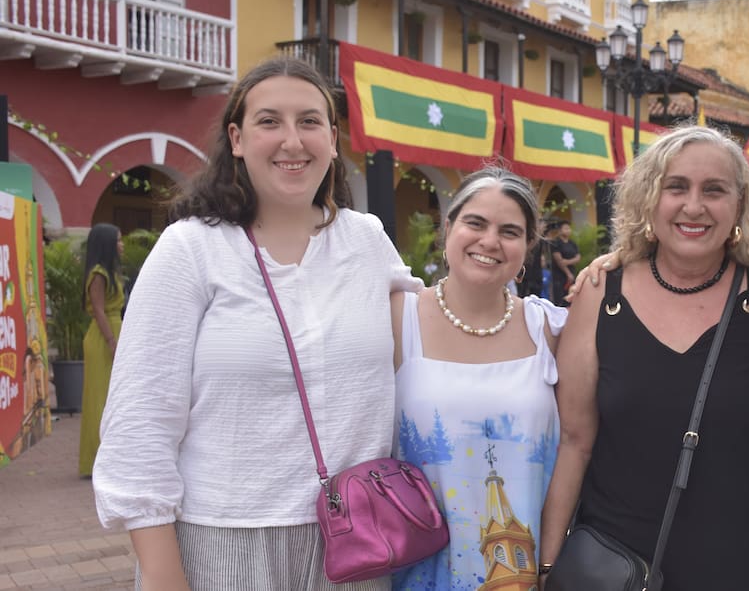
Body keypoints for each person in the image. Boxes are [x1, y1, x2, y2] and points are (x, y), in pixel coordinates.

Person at [92, 58, 424, 590]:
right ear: (237, 138)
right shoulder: (191, 249)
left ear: (333, 140)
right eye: (269, 121)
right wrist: (162, 576)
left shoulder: (367, 242)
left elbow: (437, 336)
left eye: (310, 121)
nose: (292, 140)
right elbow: (140, 424)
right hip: (223, 542)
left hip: (358, 541)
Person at [541, 126, 749, 591]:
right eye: (675, 187)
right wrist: (549, 565)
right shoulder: (601, 295)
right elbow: (575, 442)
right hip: (612, 568)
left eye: (714, 190)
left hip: (742, 567)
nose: (693, 206)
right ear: (648, 199)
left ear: (739, 205)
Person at [390, 166, 566, 590]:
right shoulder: (396, 317)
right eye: (475, 223)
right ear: (448, 228)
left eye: (510, 231)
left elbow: (579, 443)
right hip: (415, 574)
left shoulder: (552, 330)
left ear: (527, 248)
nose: (490, 241)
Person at [79, 223, 124, 478]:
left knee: (113, 396)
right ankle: (95, 459)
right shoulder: (98, 273)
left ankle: (110, 455)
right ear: (107, 243)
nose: (122, 244)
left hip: (115, 331)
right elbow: (98, 310)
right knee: (99, 398)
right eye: (118, 240)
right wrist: (111, 341)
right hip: (103, 337)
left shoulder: (111, 271)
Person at [549, 222, 580, 306]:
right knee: (560, 299)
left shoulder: (572, 243)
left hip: (572, 273)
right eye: (565, 228)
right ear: (560, 231)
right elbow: (559, 261)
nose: (568, 231)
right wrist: (568, 273)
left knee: (571, 297)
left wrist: (567, 261)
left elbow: (578, 258)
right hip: (559, 275)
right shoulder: (556, 243)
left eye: (569, 228)